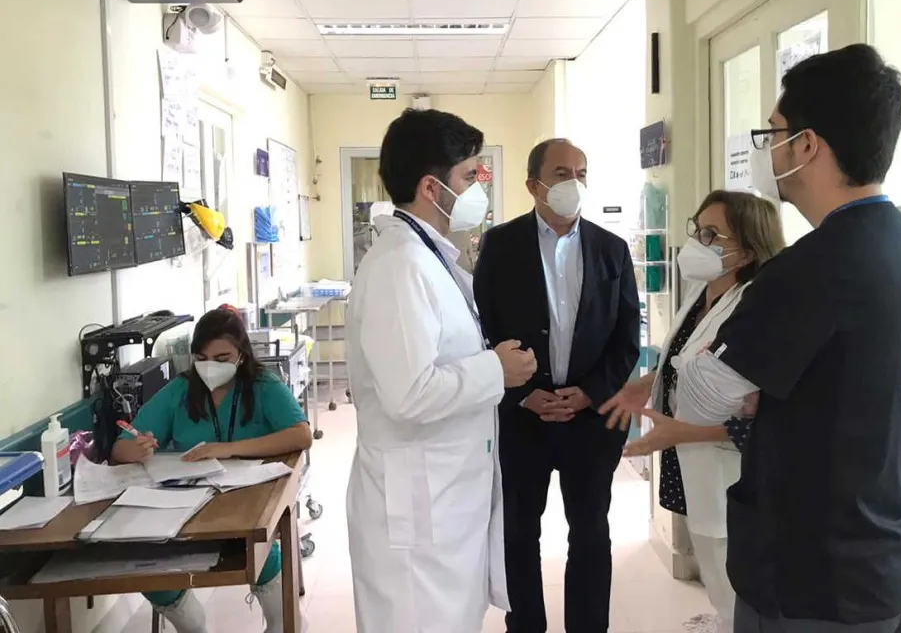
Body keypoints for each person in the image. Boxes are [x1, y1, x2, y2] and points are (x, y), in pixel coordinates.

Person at [668, 44, 901, 633]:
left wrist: (751, 393)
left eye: (773, 134)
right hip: (882, 558)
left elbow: (700, 396)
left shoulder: (809, 268)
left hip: (809, 579)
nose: (767, 150)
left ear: (807, 145)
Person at [345, 108, 537, 633]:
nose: (479, 188)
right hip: (417, 512)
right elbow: (409, 394)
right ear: (432, 187)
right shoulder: (400, 265)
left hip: (442, 499)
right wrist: (495, 370)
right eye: (469, 176)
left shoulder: (426, 256)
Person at [473, 138, 640, 633]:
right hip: (523, 417)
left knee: (590, 535)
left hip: (590, 421)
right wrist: (522, 394)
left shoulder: (611, 250)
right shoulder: (501, 246)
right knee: (519, 534)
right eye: (563, 174)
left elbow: (626, 339)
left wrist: (590, 392)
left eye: (581, 173)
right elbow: (482, 328)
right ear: (534, 185)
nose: (575, 183)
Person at [600, 190, 785, 633]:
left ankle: (735, 624)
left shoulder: (757, 307)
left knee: (731, 563)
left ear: (748, 248)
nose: (697, 243)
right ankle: (725, 620)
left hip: (731, 464)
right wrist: (645, 384)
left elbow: (768, 413)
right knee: (711, 553)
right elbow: (683, 360)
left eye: (711, 235)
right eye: (697, 230)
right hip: (689, 453)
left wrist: (683, 432)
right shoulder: (703, 292)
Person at [112, 308, 313, 633]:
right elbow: (121, 448)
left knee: (261, 556)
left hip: (249, 504)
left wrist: (229, 448)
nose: (210, 367)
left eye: (222, 358)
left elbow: (301, 435)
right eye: (201, 358)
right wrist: (135, 448)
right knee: (149, 566)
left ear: (241, 355)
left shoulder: (262, 385)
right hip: (186, 507)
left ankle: (283, 622)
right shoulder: (180, 390)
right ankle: (192, 625)